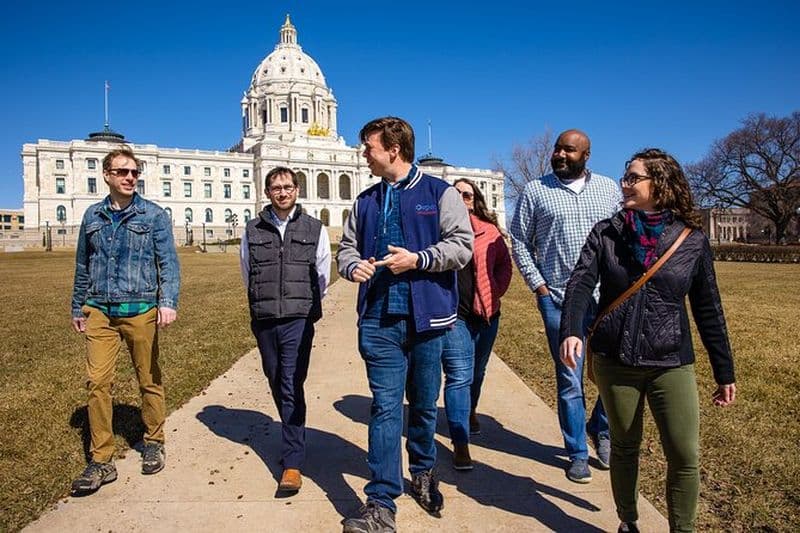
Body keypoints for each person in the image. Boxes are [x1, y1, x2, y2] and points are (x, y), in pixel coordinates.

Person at [559, 148, 736, 533]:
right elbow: (579, 285)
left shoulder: (692, 240)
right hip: (615, 359)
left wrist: (724, 371)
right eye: (625, 177)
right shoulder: (607, 232)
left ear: (661, 183)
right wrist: (571, 330)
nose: (624, 184)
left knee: (685, 454)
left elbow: (709, 309)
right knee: (624, 447)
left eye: (633, 178)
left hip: (671, 361)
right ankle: (629, 520)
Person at [337, 117, 472, 532]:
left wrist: (419, 259)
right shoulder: (364, 201)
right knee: (384, 407)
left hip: (427, 318)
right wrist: (351, 265)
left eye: (369, 147)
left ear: (393, 150)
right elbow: (345, 248)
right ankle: (381, 501)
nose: (364, 154)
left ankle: (424, 469)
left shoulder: (440, 193)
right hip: (379, 319)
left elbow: (461, 246)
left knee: (425, 405)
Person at [509, 129, 621, 483]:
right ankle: (576, 453)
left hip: (607, 298)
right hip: (557, 298)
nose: (559, 154)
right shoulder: (535, 191)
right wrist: (539, 286)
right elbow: (519, 241)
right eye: (558, 149)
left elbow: (624, 237)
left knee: (611, 374)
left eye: (568, 150)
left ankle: (601, 429)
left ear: (586, 155)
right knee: (570, 380)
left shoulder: (609, 190)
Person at [70, 146, 180, 493]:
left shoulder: (153, 215)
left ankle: (153, 440)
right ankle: (101, 459)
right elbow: (83, 265)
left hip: (140, 307)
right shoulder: (91, 216)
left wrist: (167, 301)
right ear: (107, 175)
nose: (129, 177)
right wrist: (78, 306)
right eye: (122, 172)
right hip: (100, 309)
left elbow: (168, 263)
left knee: (148, 378)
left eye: (134, 172)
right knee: (98, 383)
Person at [240, 166, 331, 493]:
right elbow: (247, 271)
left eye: (288, 186)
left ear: (297, 189)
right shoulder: (252, 229)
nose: (282, 192)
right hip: (265, 316)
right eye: (276, 187)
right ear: (267, 192)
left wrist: (303, 304)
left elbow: (322, 275)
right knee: (276, 378)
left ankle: (292, 460)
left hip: (299, 317)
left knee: (291, 381)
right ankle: (297, 432)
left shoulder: (315, 228)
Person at [442, 178, 512, 471]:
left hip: (486, 314)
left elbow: (504, 267)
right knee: (459, 375)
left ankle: (470, 410)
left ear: (475, 199)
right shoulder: (438, 231)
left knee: (478, 371)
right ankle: (460, 442)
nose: (461, 198)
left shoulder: (489, 230)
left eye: (466, 194)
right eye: (455, 194)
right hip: (454, 315)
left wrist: (493, 291)